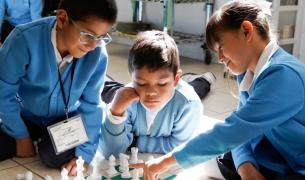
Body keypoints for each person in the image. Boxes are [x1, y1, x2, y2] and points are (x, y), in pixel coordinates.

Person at [130, 1, 305, 180]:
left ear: (246, 31)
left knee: (213, 150)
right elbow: (240, 131)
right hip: (283, 155)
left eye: (221, 48)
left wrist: (165, 161)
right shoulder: (249, 74)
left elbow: (234, 130)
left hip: (297, 163)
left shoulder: (282, 74)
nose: (220, 58)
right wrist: (247, 169)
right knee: (211, 158)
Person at [0, 0, 117, 176]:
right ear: (62, 19)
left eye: (101, 38)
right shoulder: (23, 39)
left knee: (52, 157)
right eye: (88, 35)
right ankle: (31, 136)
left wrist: (84, 155)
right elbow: (3, 92)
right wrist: (21, 136)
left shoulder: (97, 54)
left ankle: (42, 141)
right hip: (26, 116)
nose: (93, 45)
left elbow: (92, 105)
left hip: (64, 118)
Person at [98, 30, 206, 159]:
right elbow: (110, 152)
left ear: (176, 79)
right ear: (131, 78)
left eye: (162, 83)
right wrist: (115, 112)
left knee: (198, 89)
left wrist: (133, 142)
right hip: (119, 92)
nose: (151, 93)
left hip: (182, 93)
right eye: (141, 83)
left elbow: (180, 146)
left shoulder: (189, 104)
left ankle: (204, 79)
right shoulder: (126, 100)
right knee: (104, 86)